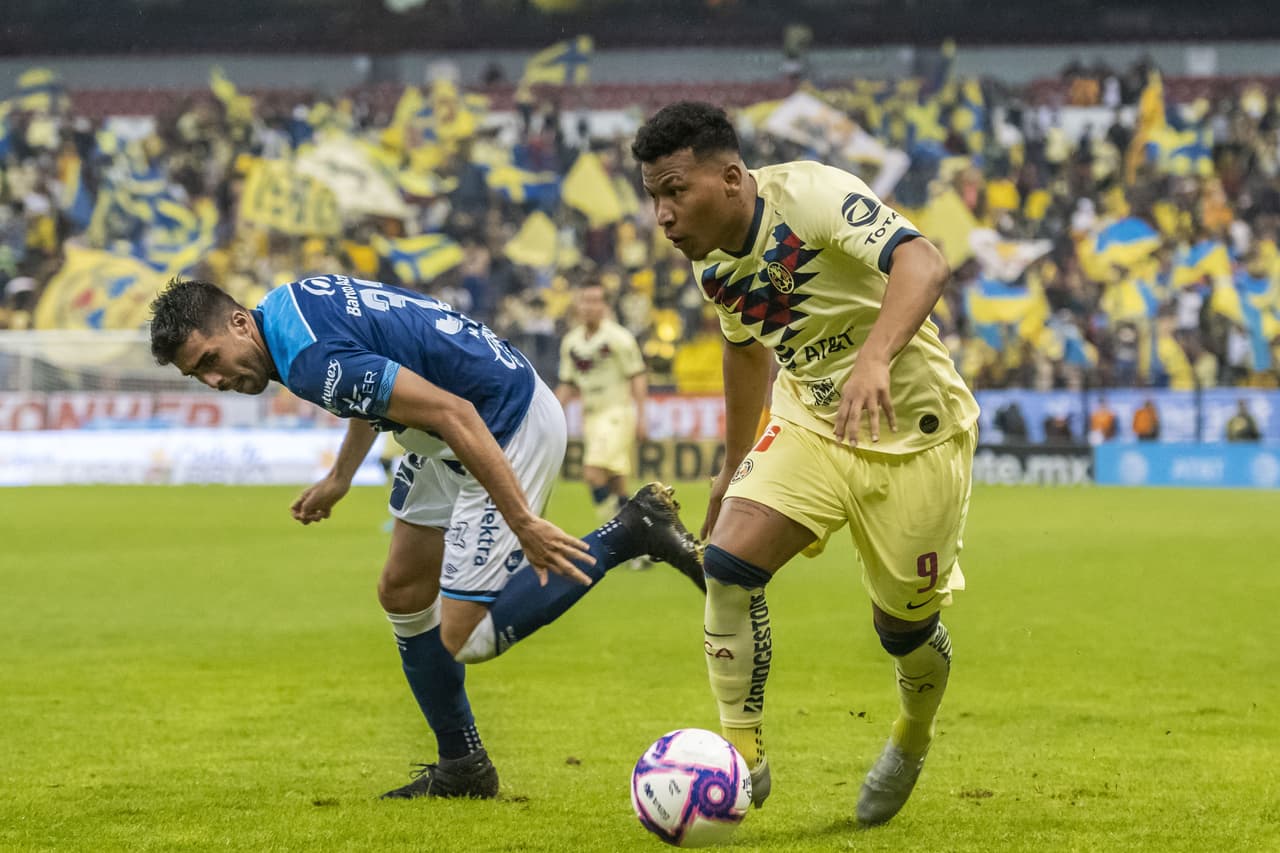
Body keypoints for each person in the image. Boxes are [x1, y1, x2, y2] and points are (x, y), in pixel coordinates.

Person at [148, 276, 704, 800]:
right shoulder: (288, 309)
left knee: (466, 636)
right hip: (449, 432)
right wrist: (342, 476)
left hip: (501, 423)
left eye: (211, 360)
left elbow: (451, 409)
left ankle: (632, 531)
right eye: (199, 376)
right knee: (404, 591)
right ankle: (462, 765)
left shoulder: (308, 358)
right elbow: (375, 380)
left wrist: (522, 521)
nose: (216, 381)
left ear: (240, 323)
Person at [632, 102, 979, 827]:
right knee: (726, 564)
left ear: (731, 177)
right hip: (811, 421)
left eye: (673, 191)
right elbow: (745, 346)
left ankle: (912, 735)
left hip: (913, 432)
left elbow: (925, 259)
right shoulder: (713, 267)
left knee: (903, 634)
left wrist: (875, 359)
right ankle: (741, 758)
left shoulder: (811, 195)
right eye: (653, 197)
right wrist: (731, 466)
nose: (662, 215)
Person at [555, 281, 649, 527]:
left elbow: (637, 375)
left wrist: (643, 415)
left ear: (605, 306)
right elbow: (567, 383)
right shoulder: (571, 343)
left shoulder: (619, 338)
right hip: (592, 416)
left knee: (592, 473)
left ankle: (613, 534)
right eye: (585, 300)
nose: (590, 307)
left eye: (596, 301)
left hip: (617, 413)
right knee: (617, 481)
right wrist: (552, 414)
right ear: (577, 305)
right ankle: (636, 540)